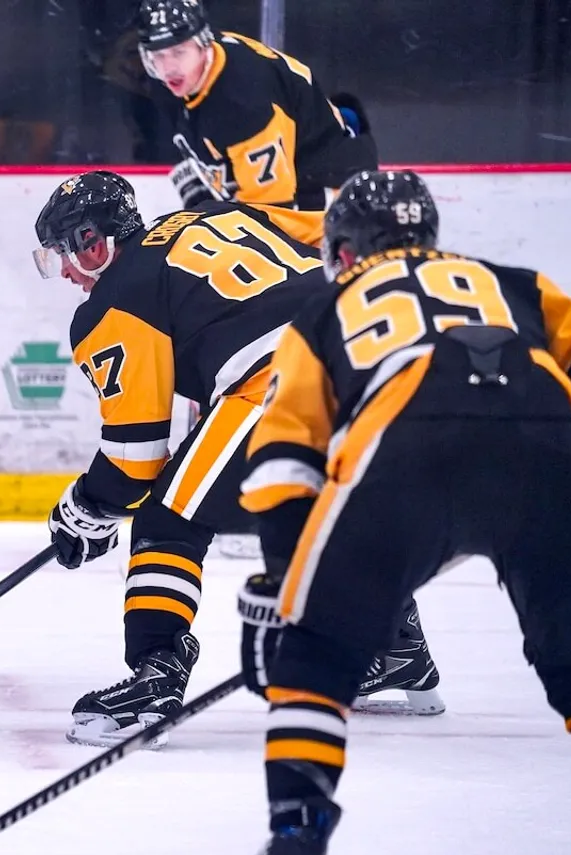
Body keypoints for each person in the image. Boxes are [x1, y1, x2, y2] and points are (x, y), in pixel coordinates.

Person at [219, 170, 571, 855]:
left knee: (315, 663)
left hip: (407, 442)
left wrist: (289, 591)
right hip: (550, 440)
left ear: (345, 249)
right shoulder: (519, 285)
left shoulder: (324, 309)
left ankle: (295, 853)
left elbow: (284, 459)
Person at [31, 171, 442, 749]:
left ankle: (156, 673)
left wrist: (83, 508)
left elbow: (135, 461)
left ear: (93, 245)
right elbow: (337, 239)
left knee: (168, 517)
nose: (67, 274)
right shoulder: (221, 214)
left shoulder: (114, 299)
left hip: (286, 378)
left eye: (64, 256)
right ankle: (396, 648)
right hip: (384, 362)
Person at [136, 0, 376, 220]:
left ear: (203, 44)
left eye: (179, 52)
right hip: (286, 180)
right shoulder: (183, 78)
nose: (169, 68)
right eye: (159, 55)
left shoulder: (245, 102)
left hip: (330, 194)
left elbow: (271, 212)